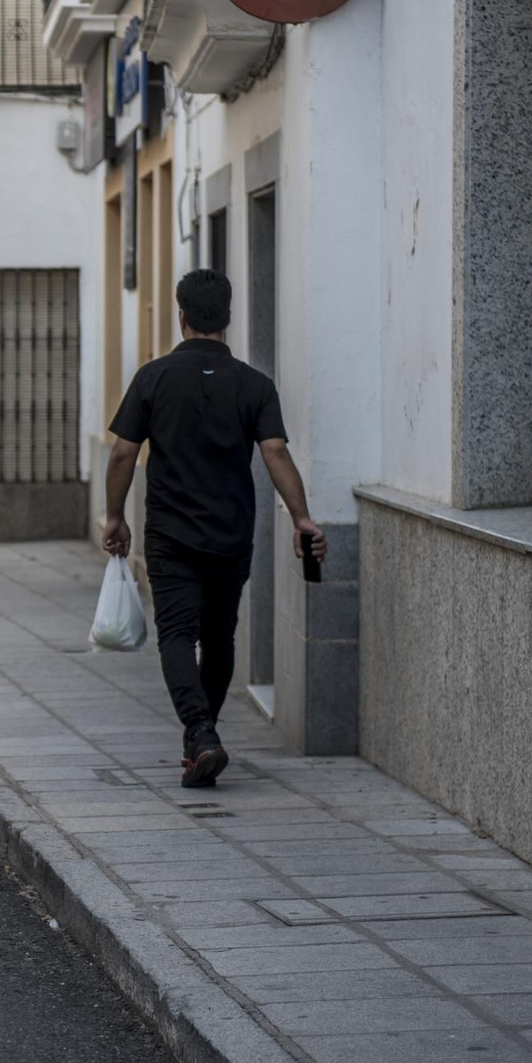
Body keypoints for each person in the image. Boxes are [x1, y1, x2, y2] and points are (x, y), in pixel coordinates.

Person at [101, 269, 325, 789]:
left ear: (182, 317)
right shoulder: (254, 385)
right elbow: (275, 453)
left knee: (177, 633)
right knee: (219, 635)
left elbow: (122, 456)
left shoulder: (152, 378)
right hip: (231, 532)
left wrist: (115, 518)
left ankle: (200, 733)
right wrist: (302, 518)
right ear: (227, 317)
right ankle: (202, 738)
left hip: (171, 535)